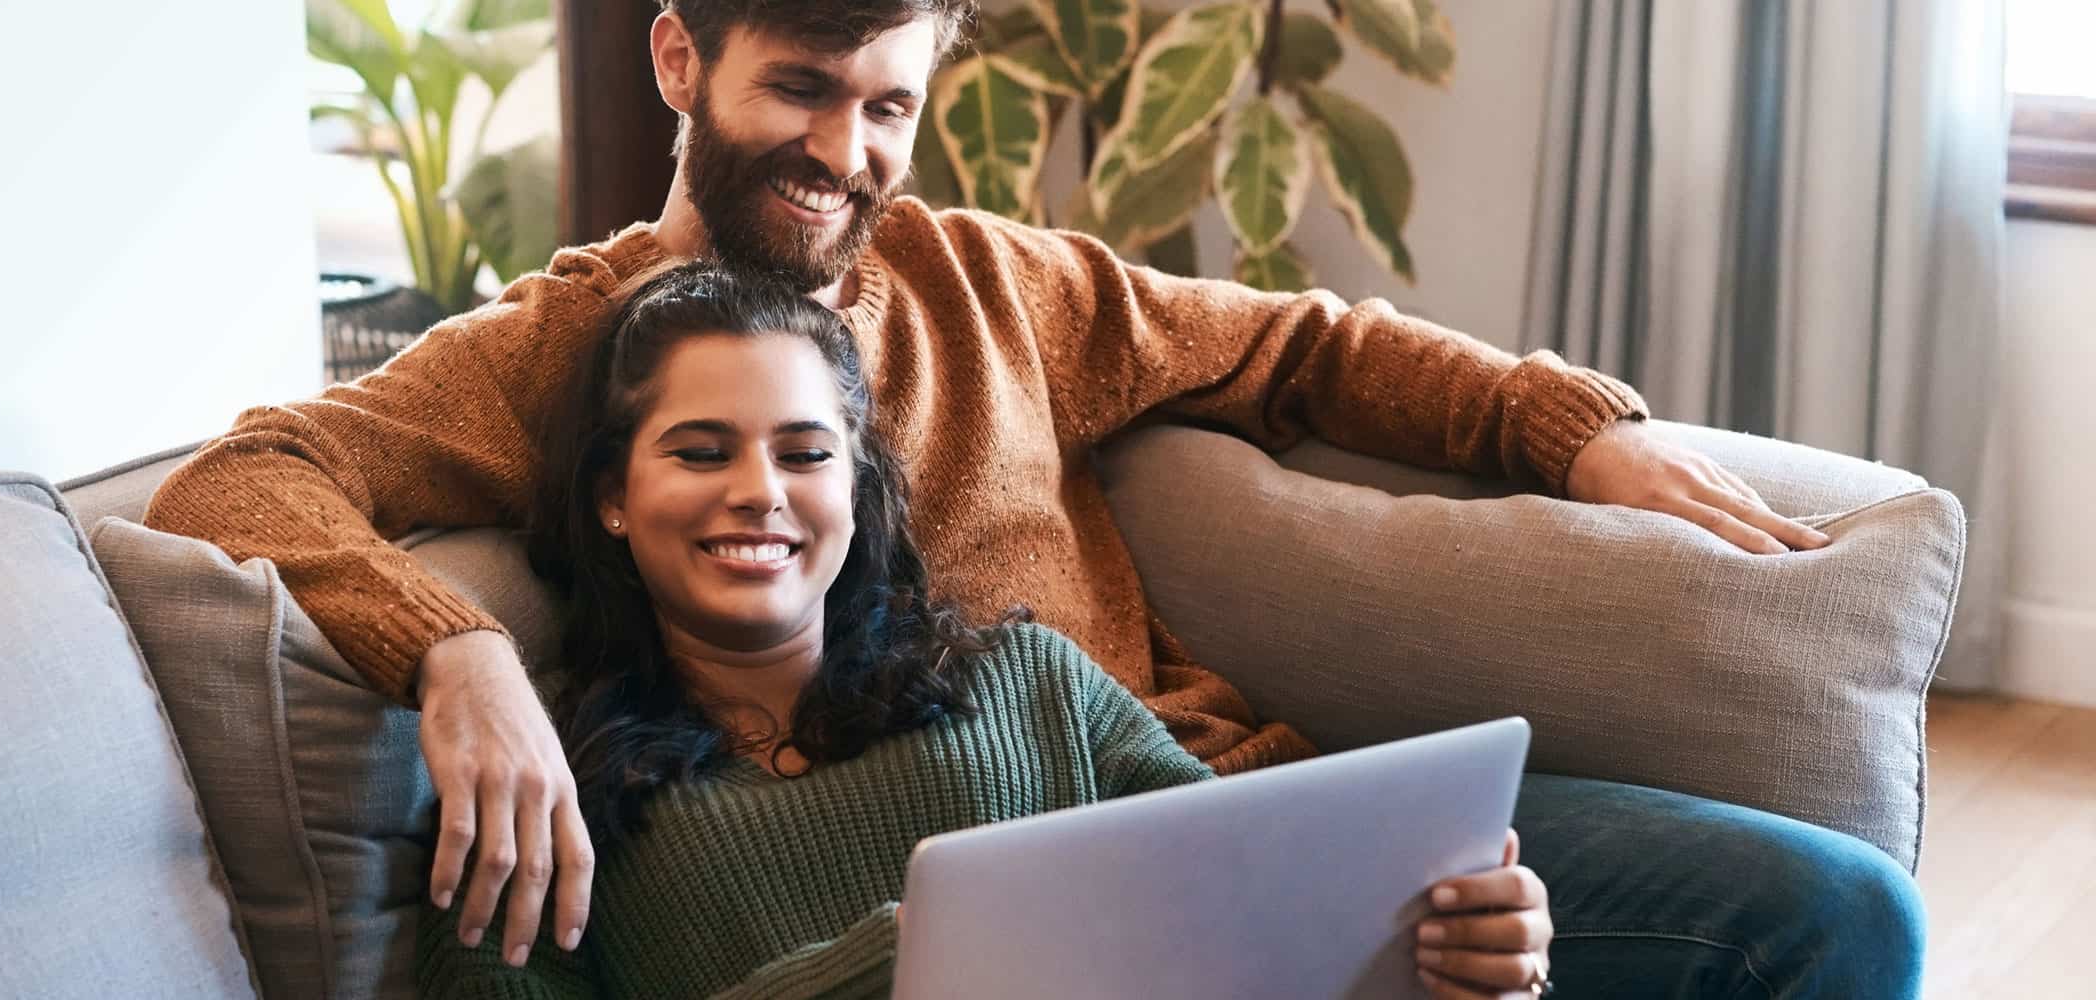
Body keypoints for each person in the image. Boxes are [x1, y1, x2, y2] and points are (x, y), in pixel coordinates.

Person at [146, 1, 1922, 994]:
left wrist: (1569, 429)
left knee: (1832, 915)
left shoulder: (998, 281)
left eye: (891, 104)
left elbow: (1303, 346)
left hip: (1225, 823)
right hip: (946, 936)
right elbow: (247, 475)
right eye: (803, 90)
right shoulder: (560, 355)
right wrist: (452, 657)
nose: (849, 155)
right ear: (680, 61)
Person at [414, 261, 1554, 998]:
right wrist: (921, 956)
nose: (761, 490)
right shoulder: (541, 798)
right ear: (612, 494)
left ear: (856, 491)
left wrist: (1441, 957)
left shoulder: (1025, 678)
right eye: (702, 451)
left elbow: (1256, 929)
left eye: (806, 453)